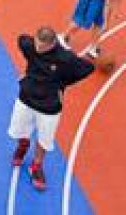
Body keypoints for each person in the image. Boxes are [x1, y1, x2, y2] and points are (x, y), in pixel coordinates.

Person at [8, 26, 95, 191]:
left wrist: (62, 84)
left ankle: (36, 166)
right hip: (26, 99)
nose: (38, 49)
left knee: (44, 140)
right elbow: (21, 38)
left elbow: (87, 68)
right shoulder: (29, 45)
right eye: (37, 44)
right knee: (19, 130)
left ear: (53, 44)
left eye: (42, 47)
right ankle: (23, 146)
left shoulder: (65, 58)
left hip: (49, 107)